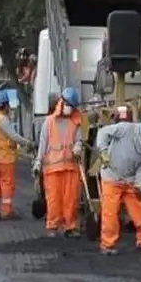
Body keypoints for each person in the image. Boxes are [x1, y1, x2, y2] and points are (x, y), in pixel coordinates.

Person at [95, 111, 141, 256]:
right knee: (110, 213)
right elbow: (102, 133)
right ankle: (107, 245)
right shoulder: (125, 128)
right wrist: (103, 151)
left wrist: (138, 184)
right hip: (111, 178)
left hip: (130, 182)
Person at [33, 87, 84, 237]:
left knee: (71, 200)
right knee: (54, 199)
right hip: (53, 168)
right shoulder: (49, 122)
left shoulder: (75, 121)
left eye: (72, 106)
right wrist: (38, 162)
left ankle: (70, 226)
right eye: (68, 105)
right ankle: (53, 226)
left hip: (70, 167)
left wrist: (78, 146)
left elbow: (79, 139)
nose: (70, 109)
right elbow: (43, 143)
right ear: (61, 102)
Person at [0, 90, 32, 219]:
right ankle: (6, 211)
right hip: (6, 158)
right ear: (5, 105)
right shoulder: (4, 120)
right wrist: (27, 142)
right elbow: (13, 136)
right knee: (7, 185)